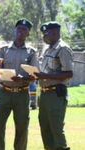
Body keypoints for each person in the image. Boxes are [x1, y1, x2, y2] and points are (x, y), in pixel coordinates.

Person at [0, 19, 38, 150]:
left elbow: (35, 76)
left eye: (24, 29)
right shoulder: (3, 50)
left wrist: (23, 78)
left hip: (22, 93)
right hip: (4, 92)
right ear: (15, 30)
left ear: (28, 33)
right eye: (18, 28)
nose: (20, 31)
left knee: (22, 127)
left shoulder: (31, 52)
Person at [35, 22, 73, 150]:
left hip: (56, 93)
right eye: (43, 34)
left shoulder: (63, 49)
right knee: (45, 127)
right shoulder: (47, 49)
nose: (44, 36)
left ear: (56, 33)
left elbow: (68, 73)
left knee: (56, 128)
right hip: (44, 93)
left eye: (47, 33)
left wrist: (44, 76)